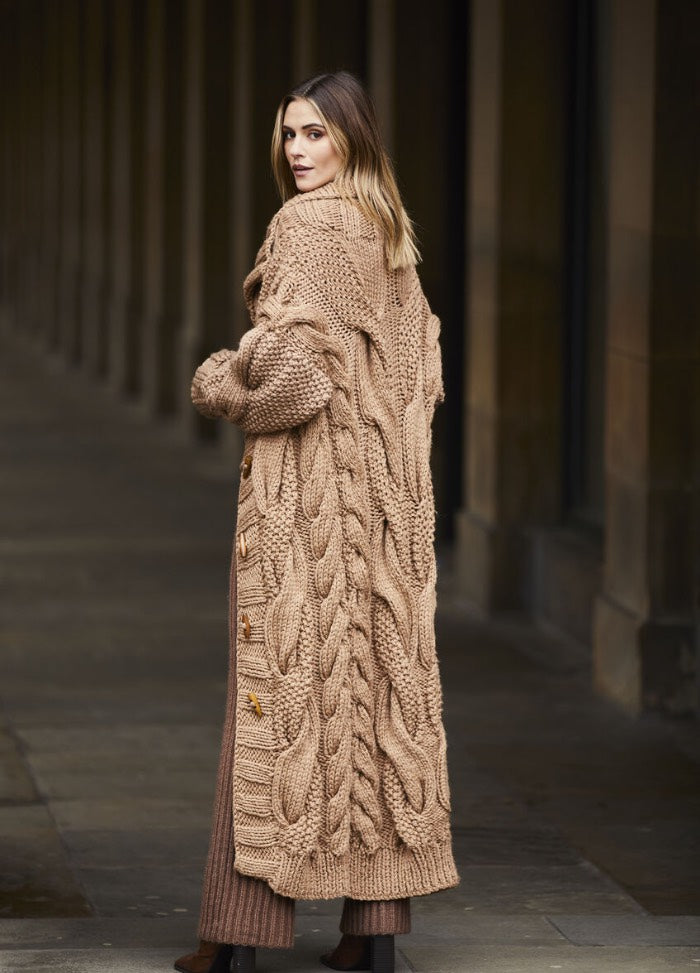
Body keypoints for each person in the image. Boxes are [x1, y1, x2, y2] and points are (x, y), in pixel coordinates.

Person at [174, 71, 458, 973]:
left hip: (307, 511)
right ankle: (371, 940)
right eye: (289, 134)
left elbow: (293, 381)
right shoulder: (390, 235)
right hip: (383, 518)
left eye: (315, 134)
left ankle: (235, 942)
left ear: (352, 140)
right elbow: (422, 381)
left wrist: (221, 376)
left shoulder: (305, 227)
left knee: (272, 705)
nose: (297, 151)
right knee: (375, 706)